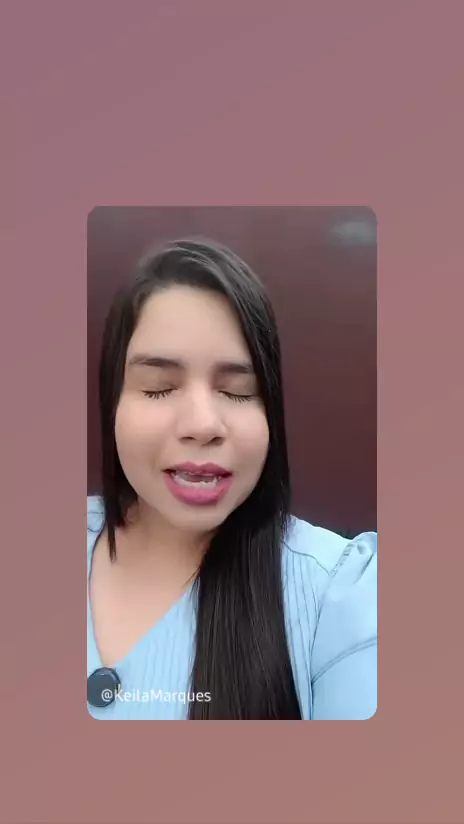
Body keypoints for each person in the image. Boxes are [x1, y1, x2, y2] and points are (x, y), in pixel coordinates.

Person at [87, 237, 377, 720]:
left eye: (239, 392)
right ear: (112, 401)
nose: (203, 425)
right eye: (158, 388)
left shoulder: (341, 596)